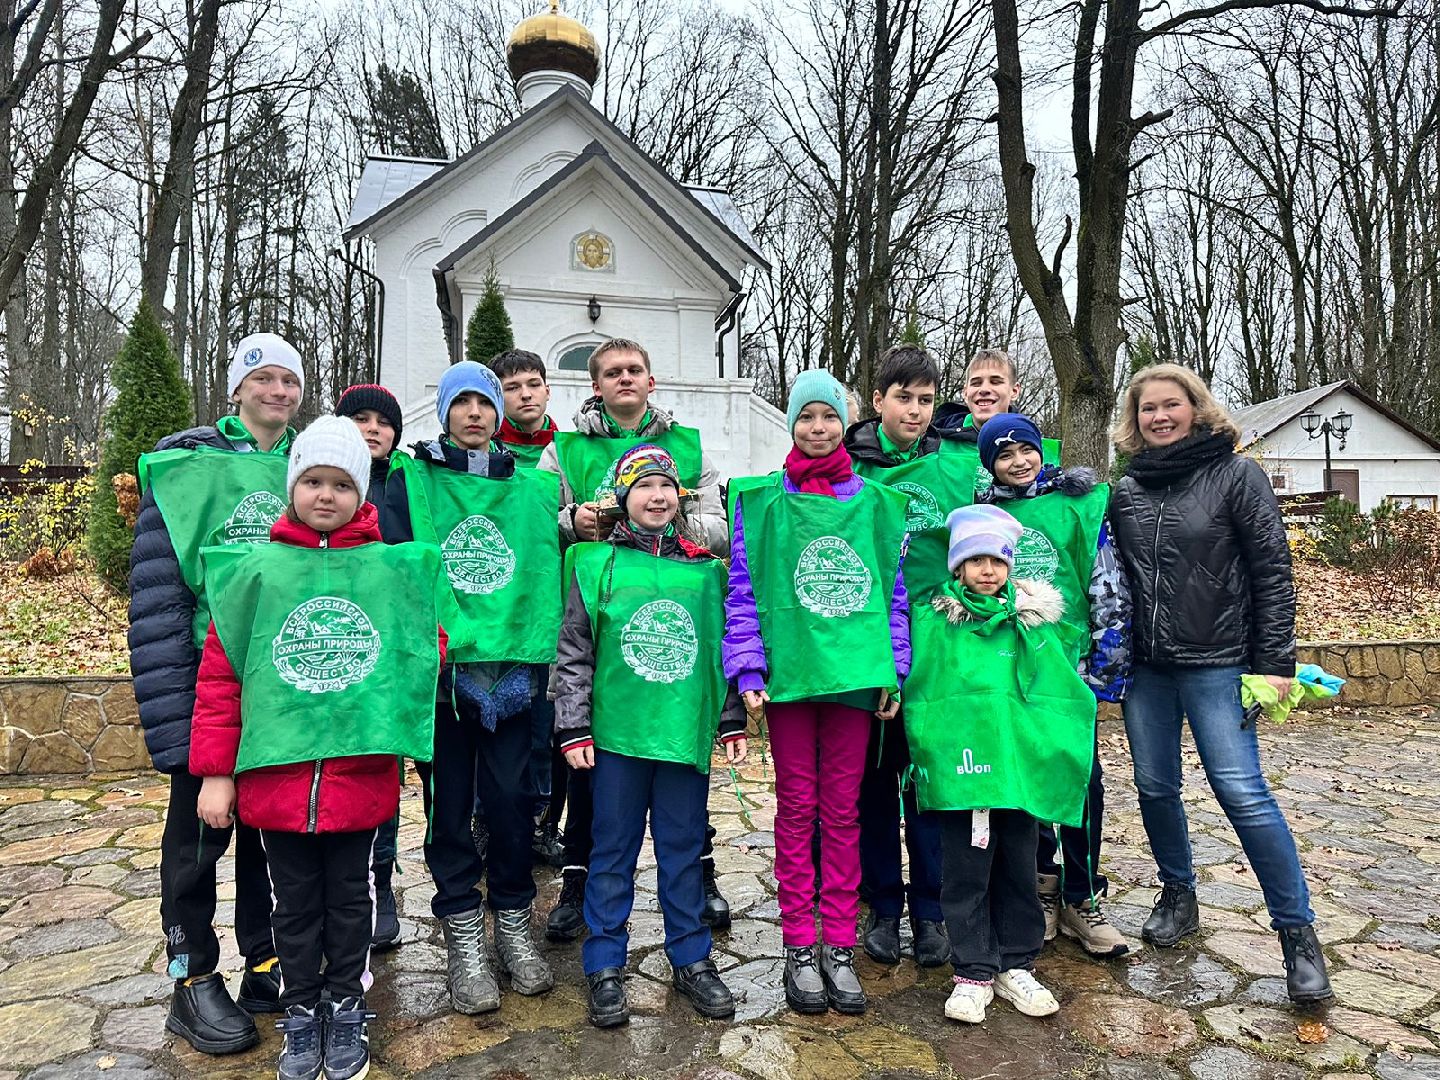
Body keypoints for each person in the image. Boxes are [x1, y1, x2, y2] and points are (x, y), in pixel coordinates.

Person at [190, 417, 445, 1080]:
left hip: (358, 779)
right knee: (293, 906)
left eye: (340, 483)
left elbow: (424, 644)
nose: (325, 495)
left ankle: (344, 1004)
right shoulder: (257, 573)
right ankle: (302, 1013)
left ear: (361, 491)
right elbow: (222, 676)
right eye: (312, 481)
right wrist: (216, 773)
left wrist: (406, 667)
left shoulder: (388, 571)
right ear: (291, 486)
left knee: (353, 902)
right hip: (276, 781)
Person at [1108, 363, 1332, 1005]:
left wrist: (1275, 664)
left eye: (1170, 405)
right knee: (1154, 786)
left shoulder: (1238, 476)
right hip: (1148, 669)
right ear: (1135, 419)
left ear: (1197, 408)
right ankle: (1178, 894)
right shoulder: (1128, 491)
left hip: (1221, 662)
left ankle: (1297, 935)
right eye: (1147, 408)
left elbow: (1272, 572)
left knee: (1242, 792)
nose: (1159, 416)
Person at [129, 332, 302, 1054]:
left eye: (289, 380)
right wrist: (175, 722)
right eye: (262, 378)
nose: (277, 391)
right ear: (236, 389)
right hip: (209, 690)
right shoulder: (186, 470)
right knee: (198, 841)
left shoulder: (309, 467)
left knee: (270, 837)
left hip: (284, 687)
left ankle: (266, 962)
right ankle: (191, 976)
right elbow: (158, 601)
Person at [724, 368, 910, 1016]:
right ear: (793, 424)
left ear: (844, 421)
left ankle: (839, 946)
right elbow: (744, 592)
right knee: (797, 810)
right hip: (792, 682)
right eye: (806, 416)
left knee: (843, 813)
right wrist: (747, 667)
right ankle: (800, 946)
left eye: (828, 416)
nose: (817, 427)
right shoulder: (762, 502)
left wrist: (896, 669)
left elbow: (892, 596)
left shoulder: (878, 506)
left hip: (855, 682)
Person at [384, 361, 563, 1014]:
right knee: (449, 806)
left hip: (510, 671)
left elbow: (553, 548)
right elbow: (394, 562)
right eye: (461, 402)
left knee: (514, 800)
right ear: (444, 412)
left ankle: (513, 922)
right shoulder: (412, 481)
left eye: (484, 403)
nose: (475, 414)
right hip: (442, 680)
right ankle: (463, 930)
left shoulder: (531, 489)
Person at [538, 337, 731, 939]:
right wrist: (579, 522)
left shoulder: (689, 447)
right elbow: (540, 523)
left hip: (672, 610)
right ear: (596, 385)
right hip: (597, 615)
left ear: (652, 380)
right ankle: (578, 886)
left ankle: (700, 878)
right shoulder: (564, 450)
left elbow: (720, 528)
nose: (625, 379)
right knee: (593, 780)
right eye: (612, 372)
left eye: (635, 370)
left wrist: (655, 517)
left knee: (680, 771)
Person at [554, 444, 748, 1027]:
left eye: (666, 486)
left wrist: (730, 715)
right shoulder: (595, 564)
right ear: (623, 498)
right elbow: (573, 653)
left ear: (680, 496)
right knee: (610, 851)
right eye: (644, 487)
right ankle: (605, 963)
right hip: (615, 740)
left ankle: (691, 958)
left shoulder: (705, 572)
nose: (657, 496)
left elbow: (722, 649)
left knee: (683, 850)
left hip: (681, 736)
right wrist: (573, 723)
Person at [904, 504, 1096, 1024]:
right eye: (976, 560)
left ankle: (1016, 964)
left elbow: (1058, 693)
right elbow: (925, 691)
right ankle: (971, 971)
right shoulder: (935, 622)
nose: (987, 570)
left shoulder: (1034, 626)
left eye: (997, 560)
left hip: (1018, 773)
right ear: (957, 568)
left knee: (1018, 865)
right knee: (964, 871)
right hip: (965, 773)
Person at [975, 413, 1131, 958]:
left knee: (1082, 778)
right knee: (1030, 781)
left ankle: (1082, 894)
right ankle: (1041, 887)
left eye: (1026, 449)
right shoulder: (985, 516)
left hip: (1071, 668)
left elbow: (1105, 581)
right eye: (1003, 454)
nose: (1018, 461)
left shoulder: (1078, 506)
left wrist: (1105, 664)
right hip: (1017, 669)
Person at [842, 345, 956, 968]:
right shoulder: (848, 470)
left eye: (925, 399)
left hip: (940, 644)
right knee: (875, 785)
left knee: (930, 784)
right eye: (903, 398)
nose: (915, 411)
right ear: (878, 401)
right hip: (868, 647)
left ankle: (932, 911)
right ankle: (884, 906)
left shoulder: (953, 465)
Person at [335, 382, 407, 950]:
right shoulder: (326, 484)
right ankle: (349, 881)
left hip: (395, 650)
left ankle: (383, 880)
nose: (373, 429)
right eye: (359, 418)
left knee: (383, 767)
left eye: (382, 421)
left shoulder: (408, 484)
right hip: (340, 641)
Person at [489, 349, 565, 867]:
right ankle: (490, 822)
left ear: (547, 389)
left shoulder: (568, 451)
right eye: (512, 386)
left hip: (555, 606)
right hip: (500, 610)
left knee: (551, 722)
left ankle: (544, 822)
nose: (525, 395)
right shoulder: (483, 456)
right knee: (501, 720)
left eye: (533, 384)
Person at [932, 349, 1059, 495]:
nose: (984, 389)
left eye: (995, 382)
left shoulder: (1046, 452)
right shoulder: (937, 447)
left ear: (1014, 391)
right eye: (976, 383)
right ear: (965, 393)